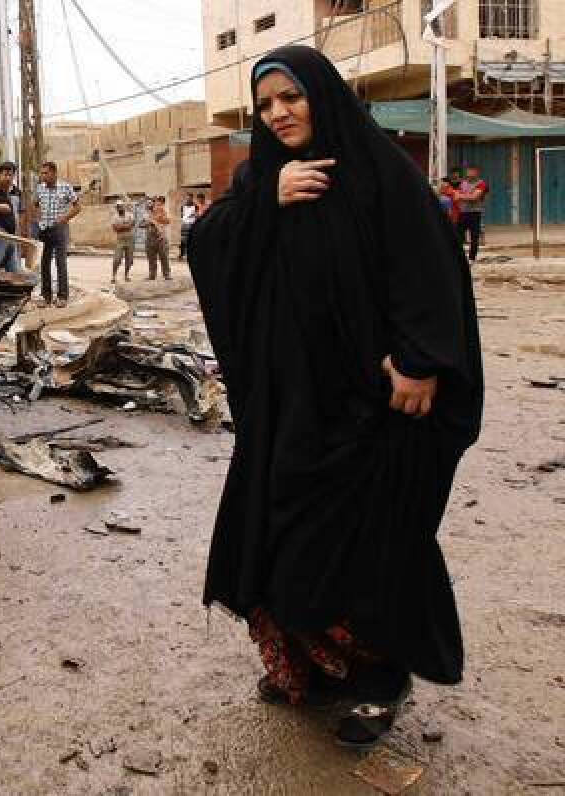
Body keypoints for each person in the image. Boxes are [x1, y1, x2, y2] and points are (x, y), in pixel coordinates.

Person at [187, 45, 482, 750]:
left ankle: (383, 680)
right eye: (265, 105)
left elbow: (428, 270)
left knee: (368, 546)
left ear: (321, 93)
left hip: (372, 408)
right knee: (279, 535)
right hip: (292, 406)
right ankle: (314, 670)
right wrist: (267, 199)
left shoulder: (380, 175)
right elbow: (207, 247)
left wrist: (420, 360)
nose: (279, 113)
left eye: (291, 97)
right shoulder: (263, 176)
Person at [33, 161, 80, 307]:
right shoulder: (40, 188)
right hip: (44, 229)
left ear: (54, 173)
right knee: (44, 263)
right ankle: (46, 296)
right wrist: (38, 219)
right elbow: (35, 204)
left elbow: (77, 207)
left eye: (45, 173)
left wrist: (65, 218)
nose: (43, 176)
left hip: (60, 229)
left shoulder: (66, 187)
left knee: (61, 262)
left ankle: (62, 297)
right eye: (42, 173)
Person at [456, 165, 488, 263]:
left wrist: (461, 196)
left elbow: (474, 197)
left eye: (472, 171)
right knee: (458, 236)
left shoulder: (481, 184)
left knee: (474, 237)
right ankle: (459, 258)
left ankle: (471, 258)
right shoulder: (463, 183)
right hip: (462, 213)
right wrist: (463, 196)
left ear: (477, 172)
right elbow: (456, 195)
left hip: (475, 213)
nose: (470, 173)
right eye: (468, 171)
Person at [145, 195, 172, 280]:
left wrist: (157, 219)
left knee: (164, 256)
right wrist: (150, 222)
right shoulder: (147, 213)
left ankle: (167, 274)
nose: (154, 203)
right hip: (150, 237)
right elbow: (143, 224)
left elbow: (168, 220)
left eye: (155, 201)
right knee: (151, 257)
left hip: (161, 238)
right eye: (153, 202)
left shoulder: (163, 211)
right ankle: (152, 274)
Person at [109, 199, 136, 282]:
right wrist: (126, 226)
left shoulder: (130, 215)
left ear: (123, 206)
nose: (119, 208)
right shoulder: (114, 217)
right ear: (116, 208)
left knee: (129, 259)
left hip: (130, 239)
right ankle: (113, 276)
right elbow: (115, 228)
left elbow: (132, 224)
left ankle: (126, 275)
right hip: (120, 239)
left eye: (120, 206)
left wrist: (121, 226)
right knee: (117, 258)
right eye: (118, 207)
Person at [178, 193, 198, 258]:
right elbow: (182, 215)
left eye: (189, 198)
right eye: (187, 198)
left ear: (192, 198)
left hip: (192, 224)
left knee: (192, 239)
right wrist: (184, 219)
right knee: (183, 239)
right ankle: (181, 253)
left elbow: (196, 215)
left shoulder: (195, 206)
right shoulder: (183, 206)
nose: (188, 199)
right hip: (185, 224)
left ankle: (192, 253)